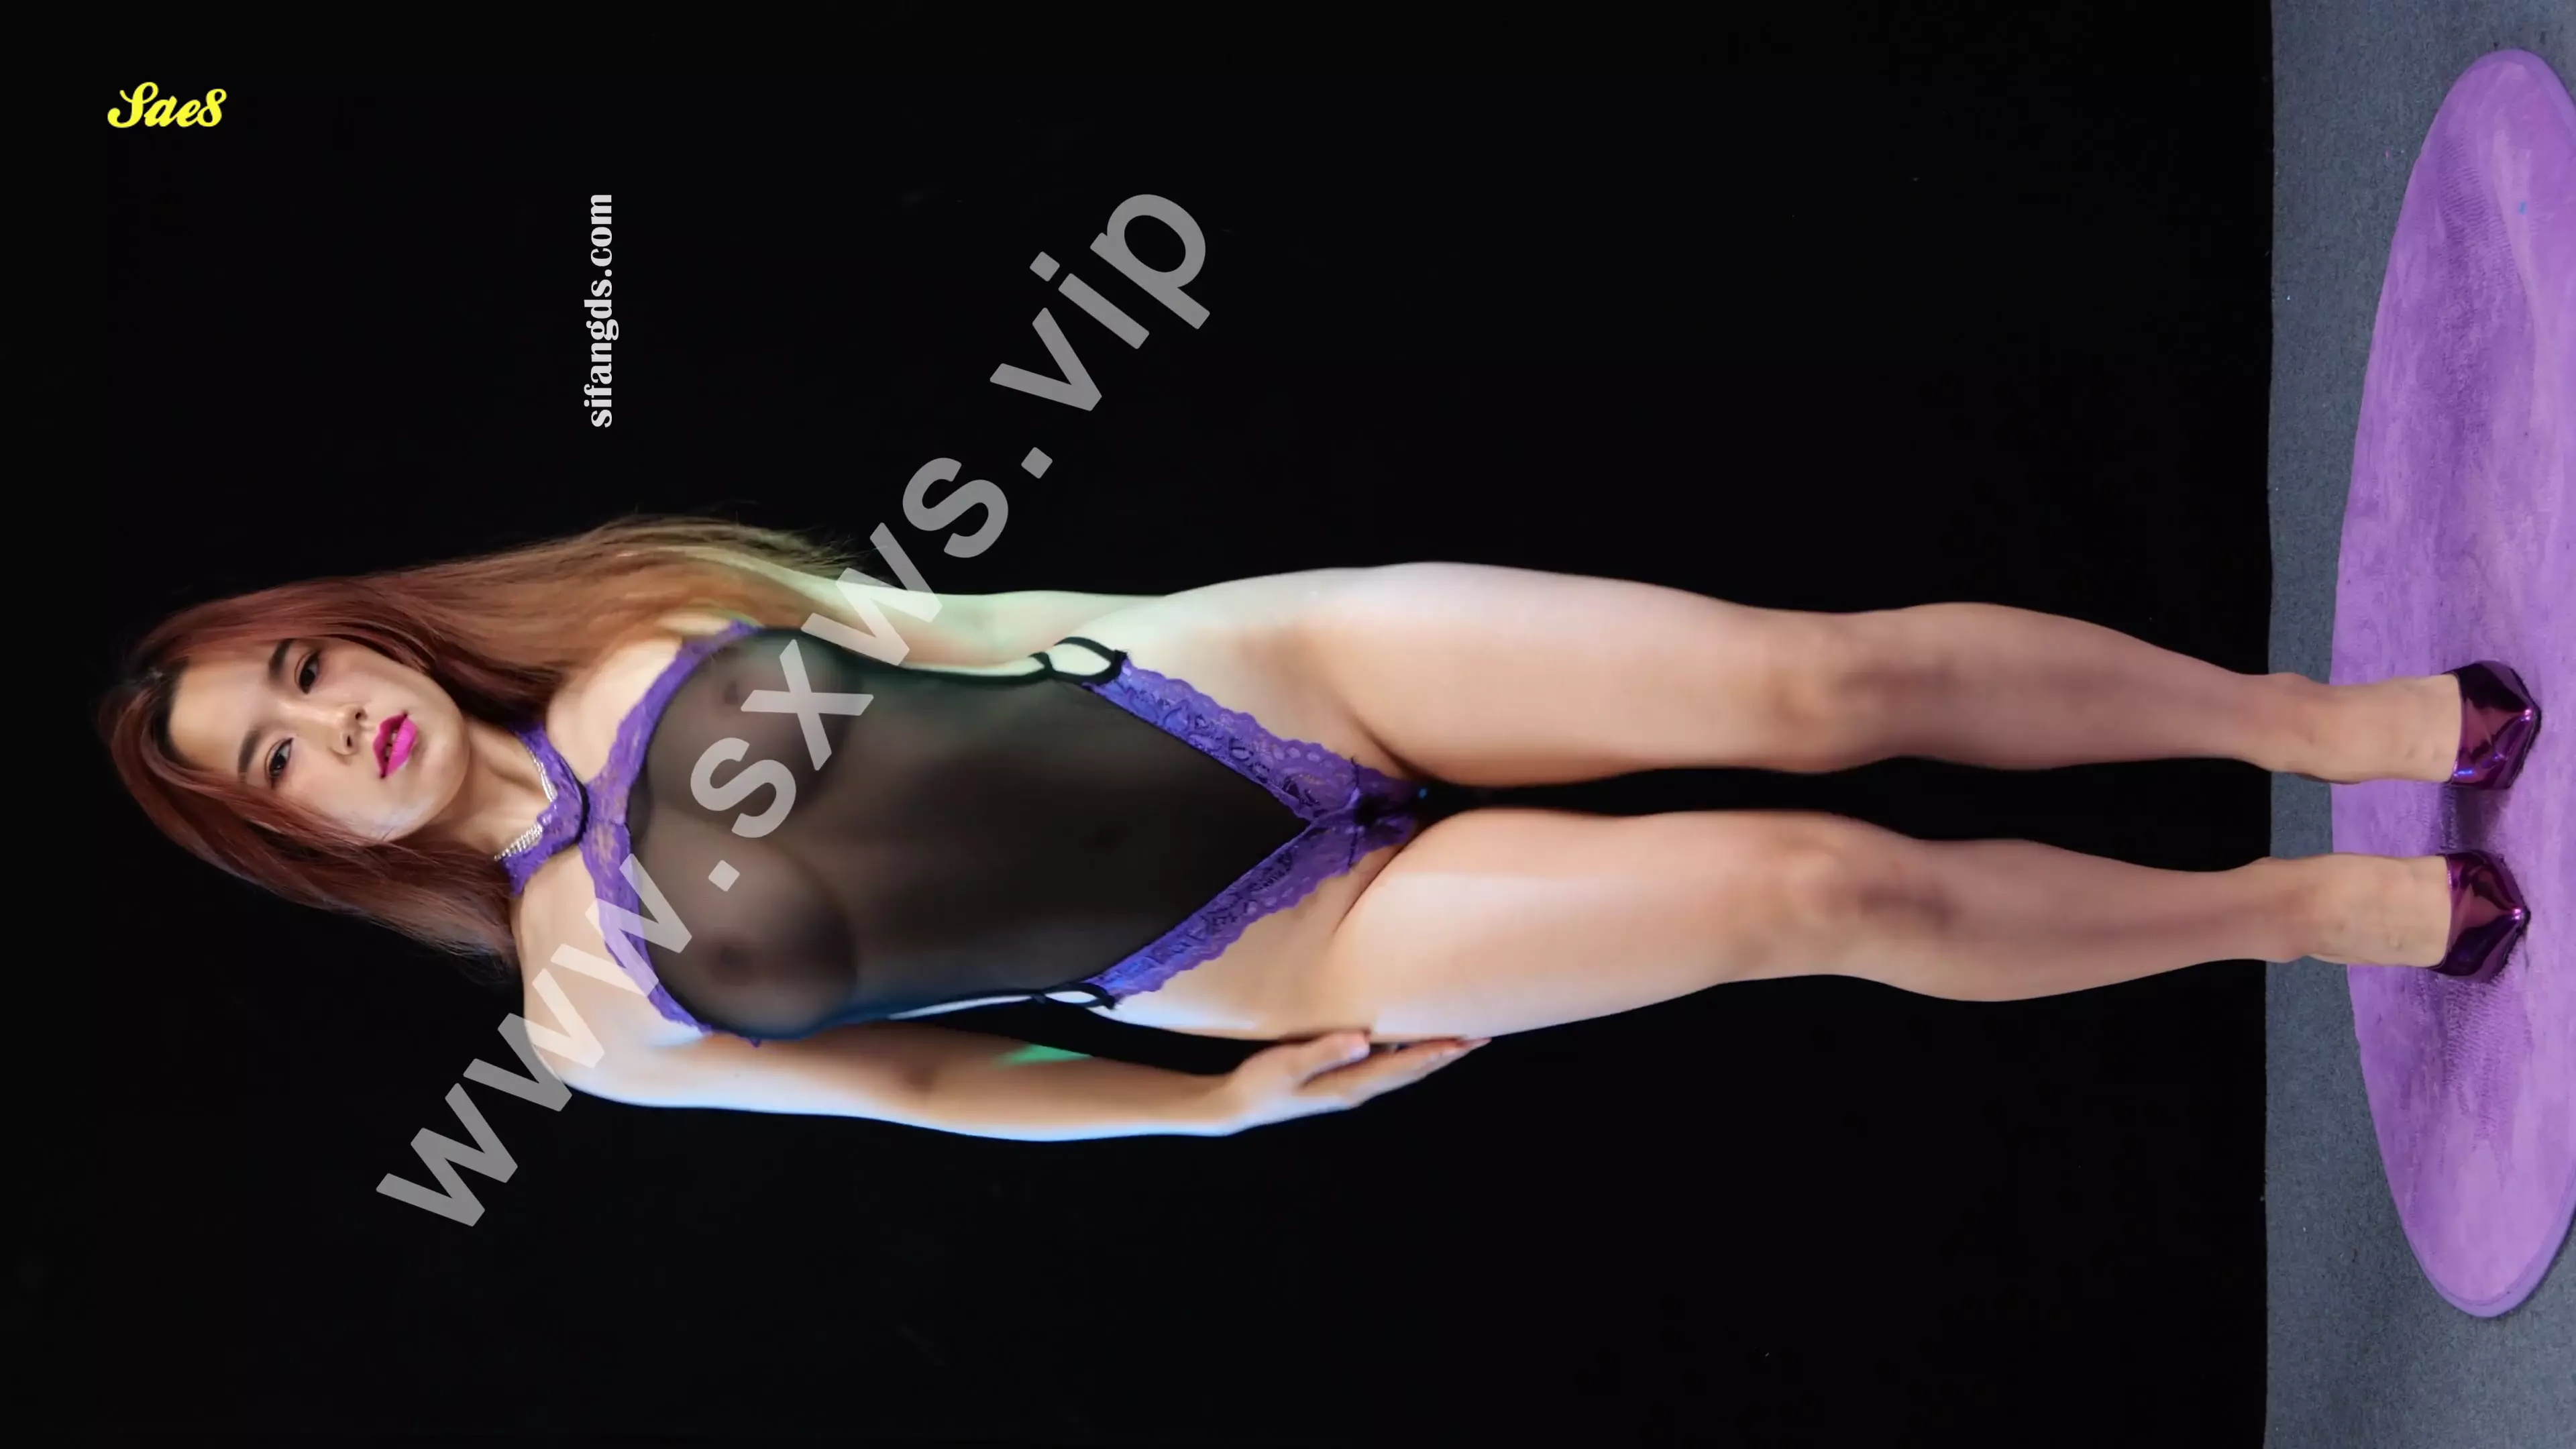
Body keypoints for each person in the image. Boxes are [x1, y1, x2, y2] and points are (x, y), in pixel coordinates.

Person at [99, 517, 2540, 1141]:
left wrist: (1191, 638)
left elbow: (970, 627)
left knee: (1824, 678)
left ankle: (2322, 720)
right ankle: (2300, 908)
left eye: (304, 676)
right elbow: (925, 1078)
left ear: (358, 634)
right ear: (287, 838)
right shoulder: (582, 1019)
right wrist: (1198, 1112)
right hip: (1252, 946)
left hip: (1254, 676)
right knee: (1820, 886)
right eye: (271, 763)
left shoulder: (632, 615)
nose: (333, 731)